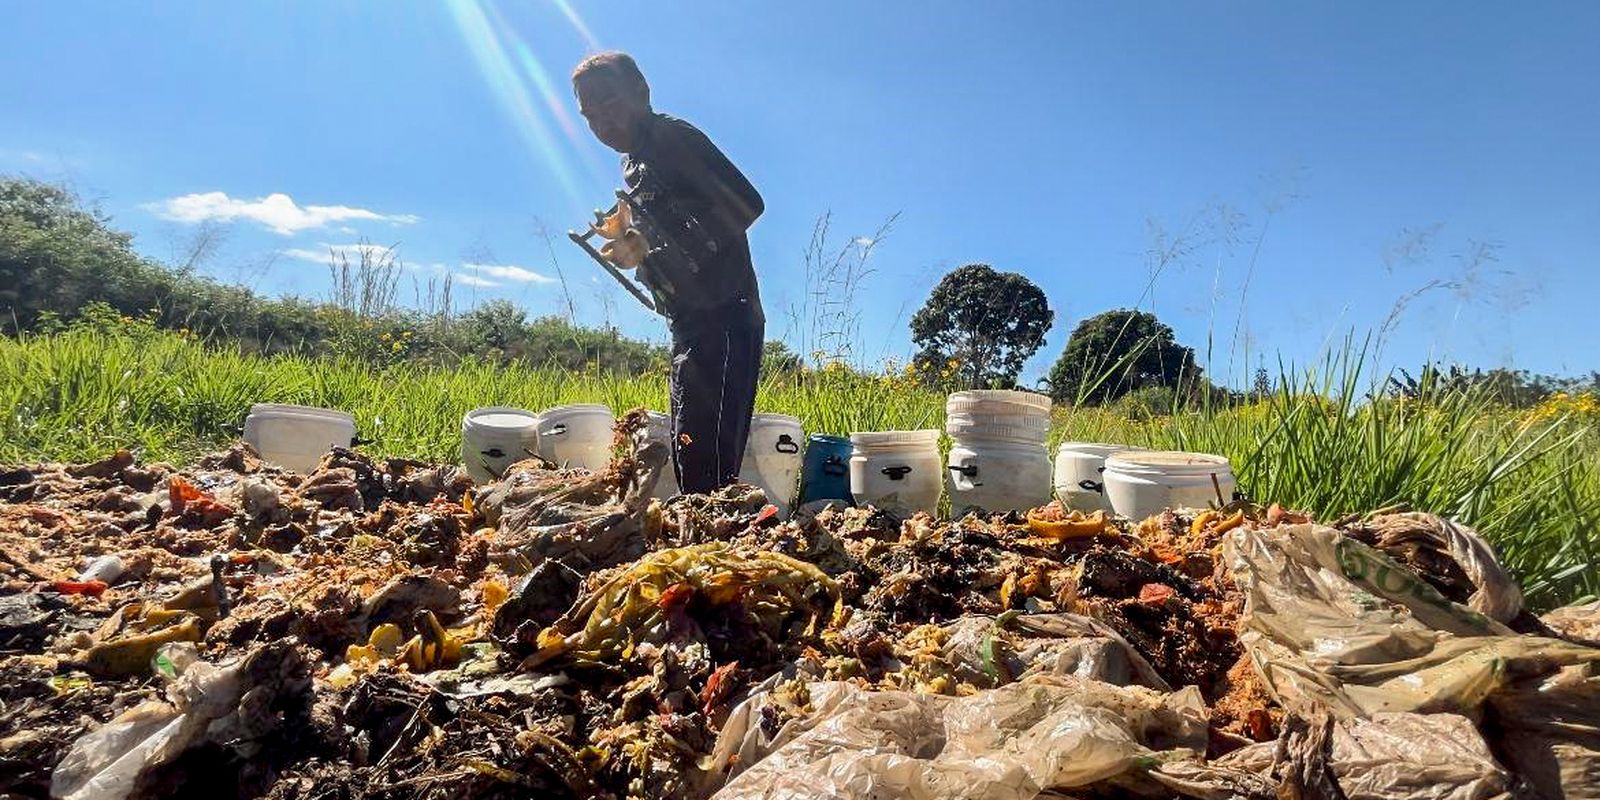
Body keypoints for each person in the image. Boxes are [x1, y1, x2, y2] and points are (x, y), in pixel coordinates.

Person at [572, 51, 765, 495]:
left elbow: (747, 202)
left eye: (611, 103)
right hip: (688, 319)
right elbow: (658, 229)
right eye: (590, 115)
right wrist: (632, 244)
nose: (603, 122)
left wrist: (658, 245)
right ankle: (700, 543)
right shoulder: (634, 161)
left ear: (642, 92)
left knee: (710, 460)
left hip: (725, 312)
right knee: (690, 444)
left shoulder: (672, 138)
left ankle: (713, 548)